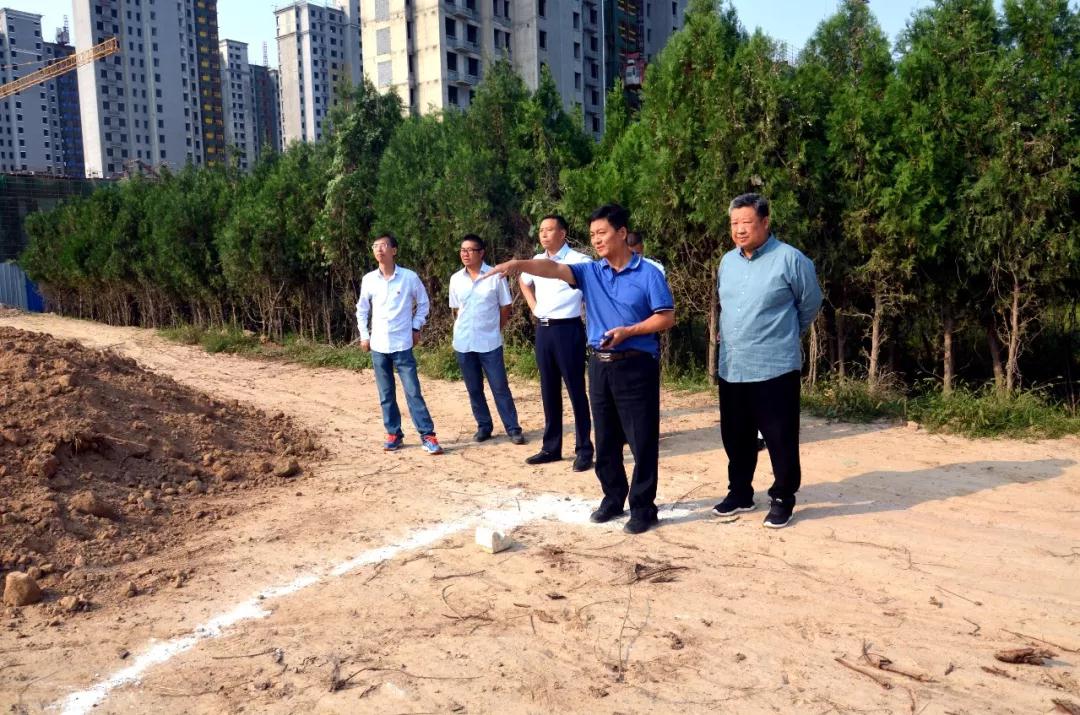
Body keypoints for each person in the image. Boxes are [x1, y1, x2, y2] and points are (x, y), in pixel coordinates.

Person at [489, 204, 675, 534]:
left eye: (602, 233)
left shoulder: (649, 273)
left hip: (636, 365)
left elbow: (666, 317)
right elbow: (552, 268)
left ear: (621, 233)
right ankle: (613, 498)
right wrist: (518, 264)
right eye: (592, 235)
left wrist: (629, 331)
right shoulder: (591, 272)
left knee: (642, 439)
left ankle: (644, 507)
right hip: (600, 365)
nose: (597, 240)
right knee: (605, 438)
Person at [713, 193, 822, 528]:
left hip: (774, 366)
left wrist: (783, 335)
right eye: (734, 223)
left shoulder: (791, 259)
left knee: (779, 436)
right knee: (736, 435)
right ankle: (740, 492)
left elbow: (810, 303)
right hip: (733, 365)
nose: (739, 229)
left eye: (746, 222)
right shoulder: (727, 262)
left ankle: (783, 497)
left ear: (764, 222)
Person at [518, 215, 594, 472]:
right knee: (548, 389)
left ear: (562, 233)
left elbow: (591, 292)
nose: (544, 234)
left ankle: (584, 449)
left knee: (576, 389)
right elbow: (524, 281)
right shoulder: (537, 260)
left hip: (568, 329)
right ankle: (551, 447)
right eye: (541, 230)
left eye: (549, 230)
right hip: (543, 330)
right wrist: (534, 306)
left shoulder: (579, 261)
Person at [356, 233, 444, 455]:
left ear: (394, 250)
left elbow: (423, 304)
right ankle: (394, 433)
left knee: (413, 391)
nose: (379, 249)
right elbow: (362, 309)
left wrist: (415, 327)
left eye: (384, 245)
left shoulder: (409, 277)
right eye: (375, 245)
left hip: (403, 344)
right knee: (386, 394)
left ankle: (428, 435)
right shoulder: (369, 280)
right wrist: (364, 335)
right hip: (378, 345)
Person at [449, 234, 526, 445]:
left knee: (500, 387)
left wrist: (495, 328)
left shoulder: (496, 276)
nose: (465, 254)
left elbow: (506, 307)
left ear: (481, 252)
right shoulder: (456, 279)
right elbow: (456, 309)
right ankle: (484, 426)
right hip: (464, 342)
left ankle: (513, 428)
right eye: (462, 250)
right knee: (474, 388)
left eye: (470, 250)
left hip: (489, 342)